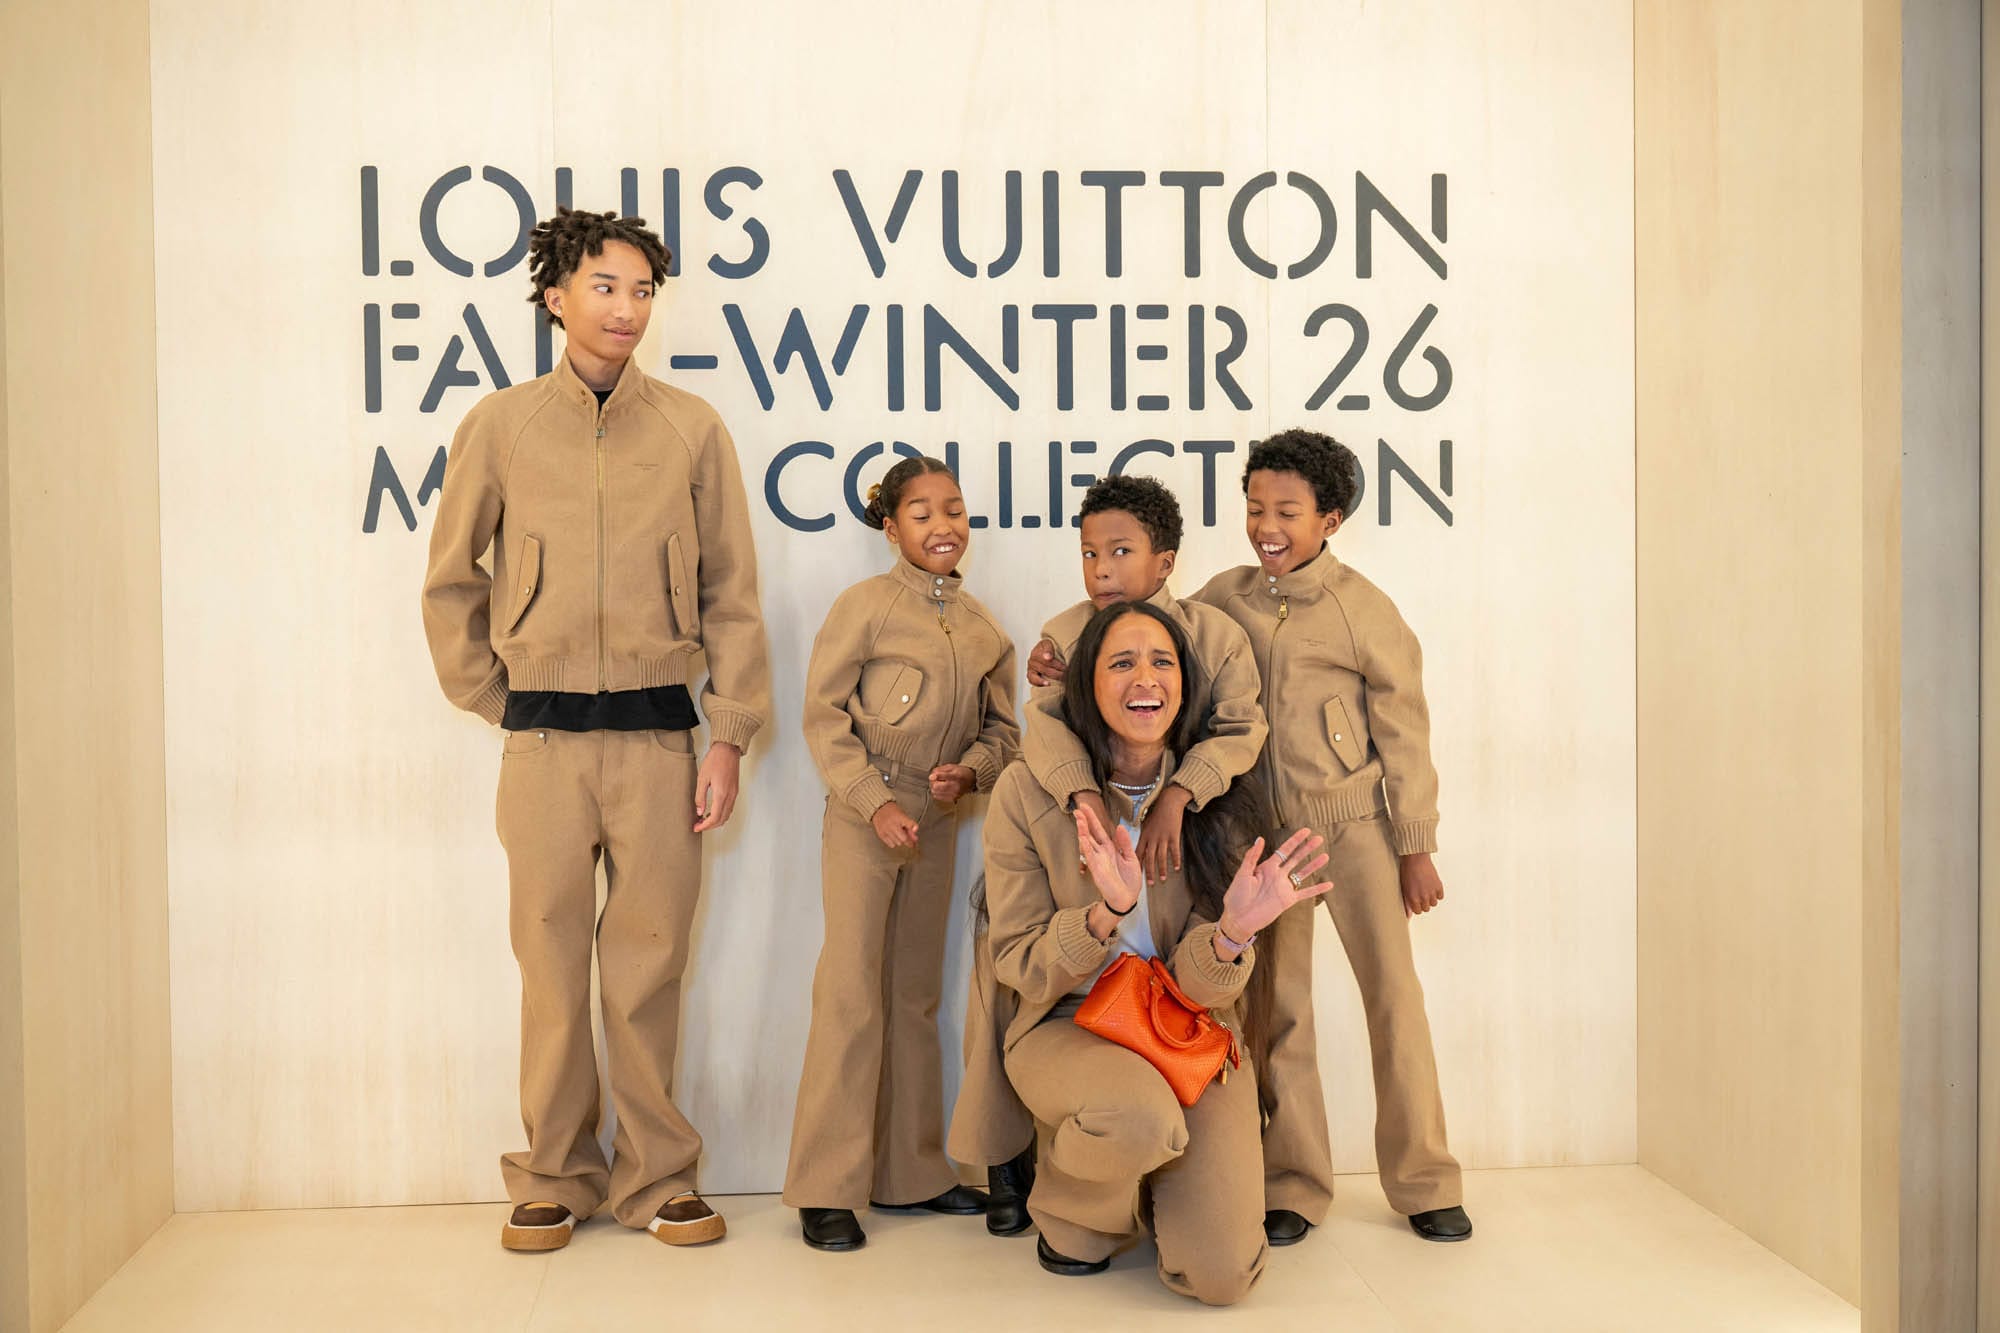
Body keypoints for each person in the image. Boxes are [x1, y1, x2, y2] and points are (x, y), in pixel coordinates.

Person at [420, 207, 770, 1252]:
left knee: (649, 966)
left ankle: (658, 1176)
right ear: (556, 297)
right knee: (550, 964)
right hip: (542, 748)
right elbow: (450, 582)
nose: (626, 308)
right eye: (605, 287)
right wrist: (502, 698)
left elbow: (733, 594)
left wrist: (727, 733)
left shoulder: (692, 429)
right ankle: (552, 1174)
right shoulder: (501, 426)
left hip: (661, 742)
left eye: (642, 290)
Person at [980, 600, 1333, 1305]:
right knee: (1134, 1126)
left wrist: (1233, 933)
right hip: (1068, 1024)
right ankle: (1082, 1199)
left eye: (1162, 662)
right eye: (1122, 662)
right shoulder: (1028, 791)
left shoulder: (1222, 797)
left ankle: (1150, 1174)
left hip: (1185, 1026)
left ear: (1185, 685)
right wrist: (1104, 914)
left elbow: (1206, 991)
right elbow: (1018, 960)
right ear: (1087, 684)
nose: (1145, 678)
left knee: (1221, 1276)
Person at [948, 474, 1266, 1236]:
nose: (1100, 571)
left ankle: (1172, 1174)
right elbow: (1046, 725)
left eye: (1119, 553)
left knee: (1221, 1264)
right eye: (1089, 554)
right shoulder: (1064, 635)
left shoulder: (1215, 637)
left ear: (1166, 563)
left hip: (1185, 897)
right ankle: (1037, 1168)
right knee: (1019, 991)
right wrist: (1083, 799)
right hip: (1076, 909)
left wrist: (1180, 793)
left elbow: (1240, 730)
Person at [1194, 428, 1471, 1246]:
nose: (1266, 526)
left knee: (1394, 998)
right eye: (1254, 508)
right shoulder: (1223, 597)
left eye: (1287, 511)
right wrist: (1059, 652)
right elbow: (1150, 638)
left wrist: (1414, 845)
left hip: (1351, 829)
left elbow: (1404, 731)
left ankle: (1425, 1179)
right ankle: (1293, 1183)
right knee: (1280, 1009)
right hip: (1266, 838)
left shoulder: (1363, 610)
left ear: (1330, 518)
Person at [781, 456, 1020, 1251]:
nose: (944, 525)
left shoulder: (983, 627)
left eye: (954, 509)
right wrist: (873, 801)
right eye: (922, 513)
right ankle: (825, 1187)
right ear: (891, 528)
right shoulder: (865, 606)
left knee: (914, 995)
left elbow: (1003, 730)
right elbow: (823, 716)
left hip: (937, 819)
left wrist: (970, 771)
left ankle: (910, 1173)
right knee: (850, 993)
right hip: (866, 815)